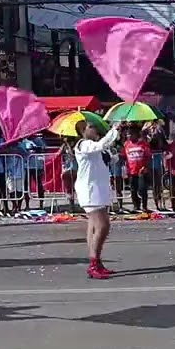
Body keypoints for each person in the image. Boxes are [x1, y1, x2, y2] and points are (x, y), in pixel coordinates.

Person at [75, 118, 122, 278]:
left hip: (99, 189)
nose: (94, 129)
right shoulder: (83, 145)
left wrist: (113, 151)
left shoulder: (95, 147)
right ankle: (93, 263)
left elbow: (110, 157)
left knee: (94, 226)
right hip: (90, 190)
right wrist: (114, 130)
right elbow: (100, 145)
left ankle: (96, 261)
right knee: (103, 226)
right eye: (91, 127)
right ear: (83, 131)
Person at [122, 125, 153, 212]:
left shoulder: (143, 144)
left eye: (131, 134)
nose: (129, 136)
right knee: (133, 189)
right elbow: (124, 156)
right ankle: (136, 206)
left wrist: (145, 167)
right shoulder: (126, 144)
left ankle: (144, 206)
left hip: (142, 171)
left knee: (142, 189)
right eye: (128, 134)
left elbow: (148, 156)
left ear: (136, 134)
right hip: (131, 171)